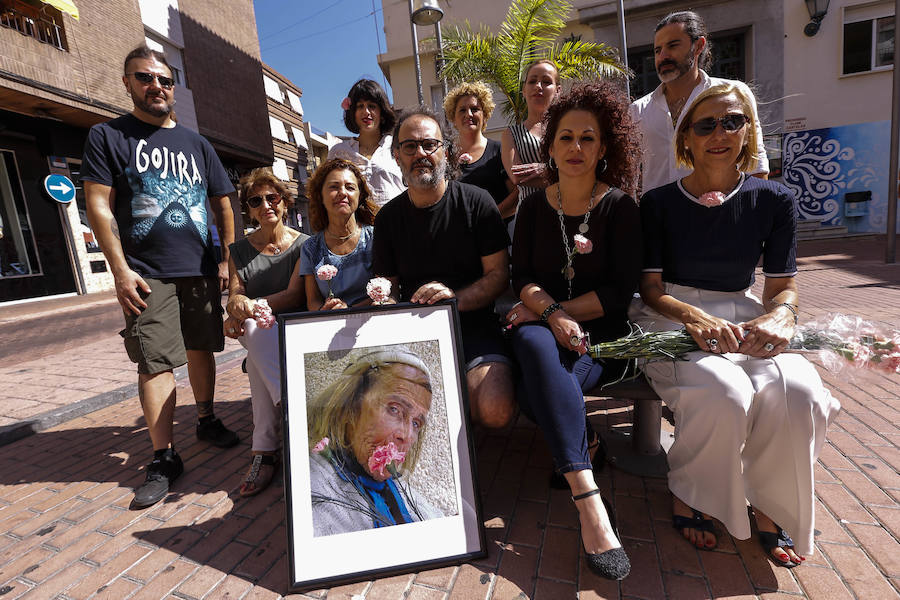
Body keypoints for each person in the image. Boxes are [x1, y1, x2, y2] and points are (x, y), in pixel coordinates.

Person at [630, 83, 840, 567]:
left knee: (799, 389)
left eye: (732, 121)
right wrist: (694, 318)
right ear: (687, 139)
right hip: (671, 312)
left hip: (742, 311)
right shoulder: (659, 203)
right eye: (706, 125)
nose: (720, 133)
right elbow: (650, 288)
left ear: (748, 130)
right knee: (723, 391)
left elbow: (782, 287)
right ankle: (694, 495)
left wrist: (782, 315)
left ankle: (772, 503)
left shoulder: (775, 199)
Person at [82, 46, 240, 510]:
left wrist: (227, 261)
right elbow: (97, 206)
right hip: (148, 274)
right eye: (145, 78)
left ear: (173, 87)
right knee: (155, 360)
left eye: (165, 80)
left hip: (201, 269)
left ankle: (206, 419)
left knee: (202, 349)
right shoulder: (107, 136)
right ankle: (163, 456)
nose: (156, 86)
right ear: (127, 82)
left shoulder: (197, 143)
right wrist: (120, 269)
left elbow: (224, 205)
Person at [505, 82, 640, 581]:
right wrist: (549, 316)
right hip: (545, 324)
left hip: (602, 333)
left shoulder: (620, 208)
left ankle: (582, 456)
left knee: (529, 393)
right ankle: (590, 503)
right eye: (565, 138)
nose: (576, 148)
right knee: (534, 344)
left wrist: (556, 311)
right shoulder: (534, 208)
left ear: (604, 148)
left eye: (588, 138)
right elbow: (523, 279)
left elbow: (618, 291)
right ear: (551, 146)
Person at [373, 107, 516, 429]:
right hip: (412, 332)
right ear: (397, 156)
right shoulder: (387, 220)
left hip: (474, 325)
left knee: (496, 410)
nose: (420, 153)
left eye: (429, 145)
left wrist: (454, 299)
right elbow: (387, 287)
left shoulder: (479, 203)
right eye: (409, 146)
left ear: (447, 151)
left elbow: (498, 275)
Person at [224, 169, 308, 497]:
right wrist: (234, 308)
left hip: (295, 326)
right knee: (255, 329)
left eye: (272, 198)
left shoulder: (304, 245)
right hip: (259, 330)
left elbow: (295, 295)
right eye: (256, 201)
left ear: (285, 203)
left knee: (257, 356)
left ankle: (264, 451)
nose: (265, 205)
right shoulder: (239, 250)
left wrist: (249, 307)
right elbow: (234, 292)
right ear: (249, 209)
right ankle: (294, 409)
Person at [307, 347, 445, 536]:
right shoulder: (315, 493)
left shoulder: (402, 490)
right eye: (394, 409)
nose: (407, 435)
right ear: (350, 408)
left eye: (416, 422)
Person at [629, 10, 768, 193]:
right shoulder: (638, 110)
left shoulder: (733, 96)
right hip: (657, 218)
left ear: (698, 46)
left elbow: (756, 165)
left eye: (672, 46)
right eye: (658, 50)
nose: (663, 56)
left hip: (719, 214)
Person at [300, 159, 378, 310]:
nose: (342, 192)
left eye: (350, 187)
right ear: (320, 196)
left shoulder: (376, 238)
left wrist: (348, 310)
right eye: (334, 187)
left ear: (360, 195)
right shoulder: (310, 248)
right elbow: (313, 301)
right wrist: (325, 311)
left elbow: (386, 291)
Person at [443, 81, 517, 220]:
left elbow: (516, 194)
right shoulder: (446, 154)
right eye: (462, 110)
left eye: (475, 109)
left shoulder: (500, 151)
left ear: (485, 114)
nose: (468, 114)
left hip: (497, 232)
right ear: (453, 117)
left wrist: (489, 218)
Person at [328, 79, 405, 207]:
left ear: (382, 112)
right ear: (352, 113)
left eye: (372, 106)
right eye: (360, 106)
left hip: (397, 223)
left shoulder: (399, 146)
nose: (366, 112)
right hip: (354, 225)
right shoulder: (338, 152)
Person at [501, 59, 560, 218]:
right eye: (532, 81)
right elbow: (518, 177)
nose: (538, 86)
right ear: (524, 90)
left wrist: (544, 170)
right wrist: (559, 172)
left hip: (569, 212)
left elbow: (583, 170)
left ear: (558, 90)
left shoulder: (567, 129)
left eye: (546, 82)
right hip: (530, 218)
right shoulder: (511, 134)